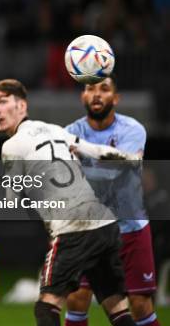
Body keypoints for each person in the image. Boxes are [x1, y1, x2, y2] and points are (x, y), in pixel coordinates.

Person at [0, 78, 139, 326]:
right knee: (118, 309)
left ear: (22, 106)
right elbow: (96, 151)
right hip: (105, 225)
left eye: (3, 101)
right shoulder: (55, 130)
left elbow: (12, 200)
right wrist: (130, 158)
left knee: (46, 307)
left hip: (73, 230)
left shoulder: (12, 146)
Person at [64, 75, 161, 326]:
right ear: (83, 96)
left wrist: (84, 152)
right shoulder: (70, 132)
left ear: (115, 98)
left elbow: (123, 167)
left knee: (139, 305)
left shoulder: (132, 129)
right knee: (76, 297)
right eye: (90, 88)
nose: (97, 94)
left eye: (104, 89)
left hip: (130, 229)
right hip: (90, 231)